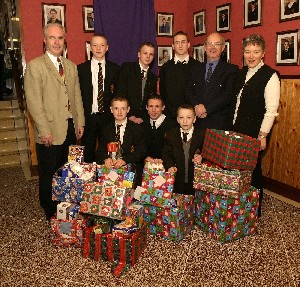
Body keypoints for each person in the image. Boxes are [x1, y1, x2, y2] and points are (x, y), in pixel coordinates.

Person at [24, 23, 85, 221]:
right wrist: (43, 130)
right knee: (48, 172)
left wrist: (80, 122)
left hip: (69, 127)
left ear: (64, 40)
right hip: (49, 129)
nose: (57, 42)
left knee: (66, 170)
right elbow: (34, 102)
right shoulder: (35, 66)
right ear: (45, 40)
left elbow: (77, 97)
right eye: (52, 38)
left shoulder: (71, 66)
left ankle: (63, 205)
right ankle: (49, 209)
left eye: (60, 38)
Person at [227, 34, 281, 217]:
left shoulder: (270, 75)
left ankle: (253, 211)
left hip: (255, 133)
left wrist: (263, 135)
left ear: (263, 53)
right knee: (238, 170)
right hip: (237, 129)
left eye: (256, 52)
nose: (251, 56)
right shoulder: (241, 73)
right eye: (248, 51)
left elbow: (271, 110)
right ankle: (238, 208)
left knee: (253, 171)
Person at [77, 34, 120, 163]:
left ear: (107, 48)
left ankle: (105, 180)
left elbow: (118, 95)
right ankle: (89, 180)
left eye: (102, 45)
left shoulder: (115, 69)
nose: (98, 48)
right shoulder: (81, 69)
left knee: (107, 153)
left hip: (108, 118)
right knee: (88, 153)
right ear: (90, 48)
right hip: (88, 117)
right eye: (95, 45)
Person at [185, 32, 239, 130]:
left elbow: (227, 95)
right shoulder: (196, 68)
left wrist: (206, 108)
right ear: (205, 47)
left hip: (218, 124)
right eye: (210, 44)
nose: (212, 47)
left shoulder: (231, 70)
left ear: (222, 48)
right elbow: (188, 90)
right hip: (197, 122)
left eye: (217, 44)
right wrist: (196, 106)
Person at [96, 96, 147, 185]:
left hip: (130, 173)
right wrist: (105, 158)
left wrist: (125, 160)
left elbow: (141, 152)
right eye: (116, 108)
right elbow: (100, 151)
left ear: (128, 109)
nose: (119, 112)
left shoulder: (137, 129)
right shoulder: (106, 129)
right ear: (111, 110)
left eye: (123, 108)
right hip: (110, 174)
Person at [162, 104, 205, 195]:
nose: (185, 121)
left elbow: (207, 153)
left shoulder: (202, 134)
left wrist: (202, 157)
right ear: (177, 119)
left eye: (189, 117)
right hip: (177, 181)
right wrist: (169, 166)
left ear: (194, 119)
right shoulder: (171, 134)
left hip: (195, 181)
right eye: (181, 117)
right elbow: (166, 154)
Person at [159, 31, 201, 123]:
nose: (180, 45)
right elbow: (163, 94)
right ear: (173, 46)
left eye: (183, 42)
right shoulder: (165, 68)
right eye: (177, 43)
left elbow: (200, 92)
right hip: (171, 117)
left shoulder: (198, 66)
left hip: (193, 118)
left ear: (188, 44)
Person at [116, 42, 157, 124]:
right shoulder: (127, 68)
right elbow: (120, 93)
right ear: (139, 54)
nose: (148, 56)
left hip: (143, 120)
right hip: (125, 116)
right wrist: (129, 114)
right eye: (145, 53)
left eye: (151, 54)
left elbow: (151, 101)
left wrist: (143, 117)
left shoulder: (153, 77)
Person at [143, 94, 176, 163]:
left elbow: (175, 150)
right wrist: (145, 157)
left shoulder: (173, 125)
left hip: (168, 166)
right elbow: (140, 147)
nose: (153, 110)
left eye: (157, 106)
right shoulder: (143, 124)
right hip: (147, 166)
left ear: (163, 107)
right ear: (146, 107)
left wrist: (164, 160)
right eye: (151, 106)